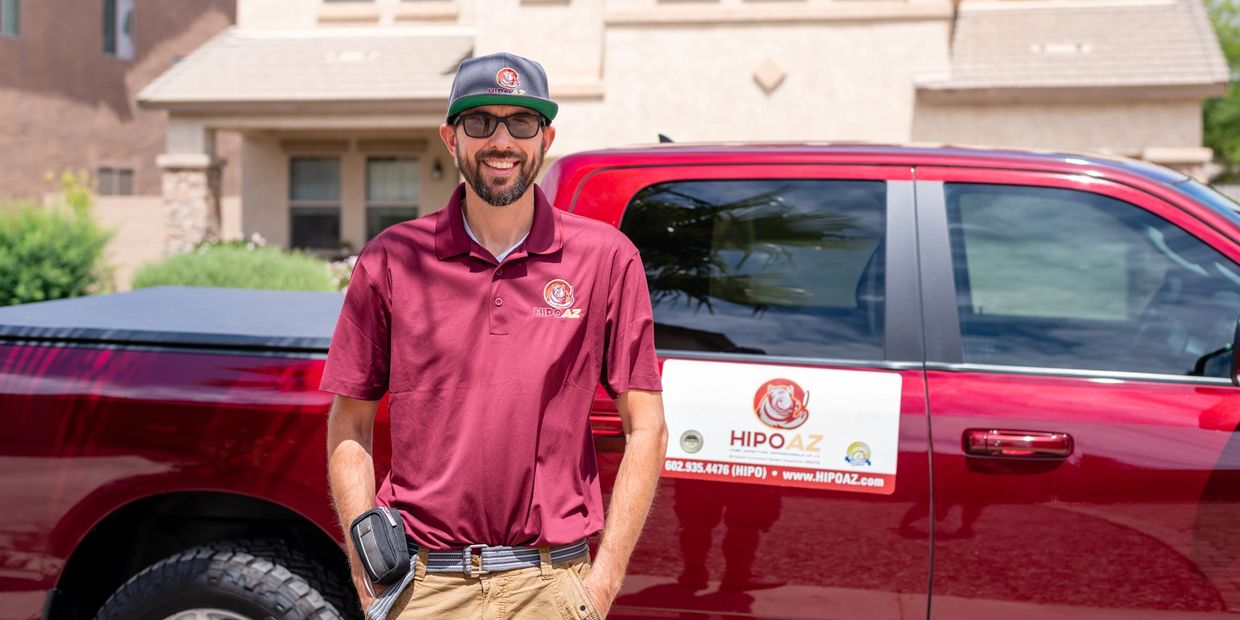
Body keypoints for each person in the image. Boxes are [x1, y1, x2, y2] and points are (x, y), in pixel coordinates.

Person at [321, 52, 668, 620]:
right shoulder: (392, 259)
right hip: (425, 587)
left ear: (546, 136)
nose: (501, 139)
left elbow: (647, 427)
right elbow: (350, 423)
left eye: (521, 122)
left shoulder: (605, 259)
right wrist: (366, 579)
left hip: (552, 584)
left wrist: (601, 585)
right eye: (480, 121)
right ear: (450, 136)